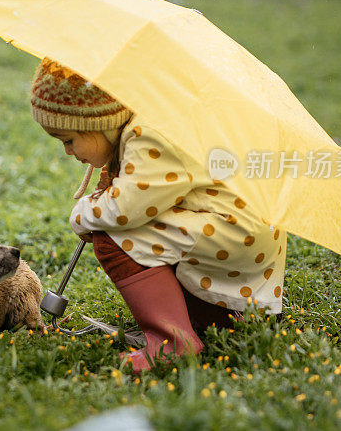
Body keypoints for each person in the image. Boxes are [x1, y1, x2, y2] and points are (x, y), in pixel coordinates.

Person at [29, 58, 287, 372]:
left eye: (69, 140)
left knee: (113, 234)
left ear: (96, 122)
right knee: (134, 227)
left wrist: (83, 214)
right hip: (235, 230)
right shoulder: (148, 119)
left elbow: (126, 209)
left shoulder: (151, 135)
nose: (68, 152)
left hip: (232, 231)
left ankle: (173, 343)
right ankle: (216, 317)